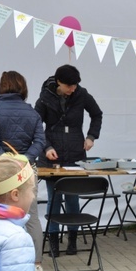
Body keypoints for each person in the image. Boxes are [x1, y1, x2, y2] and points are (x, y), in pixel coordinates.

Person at [35, 64, 102, 256]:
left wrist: (91, 136)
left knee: (73, 197)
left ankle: (73, 239)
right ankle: (54, 240)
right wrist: (46, 147)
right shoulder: (44, 98)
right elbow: (36, 126)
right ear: (58, 82)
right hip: (52, 156)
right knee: (54, 199)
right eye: (69, 86)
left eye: (75, 85)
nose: (72, 89)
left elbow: (97, 114)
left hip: (75, 153)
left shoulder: (82, 95)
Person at [0, 70, 46, 271]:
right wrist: (25, 159)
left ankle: (1, 261)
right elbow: (40, 141)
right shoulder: (33, 113)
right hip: (27, 171)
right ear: (23, 87)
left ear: (2, 87)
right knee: (31, 217)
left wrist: (6, 162)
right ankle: (36, 263)